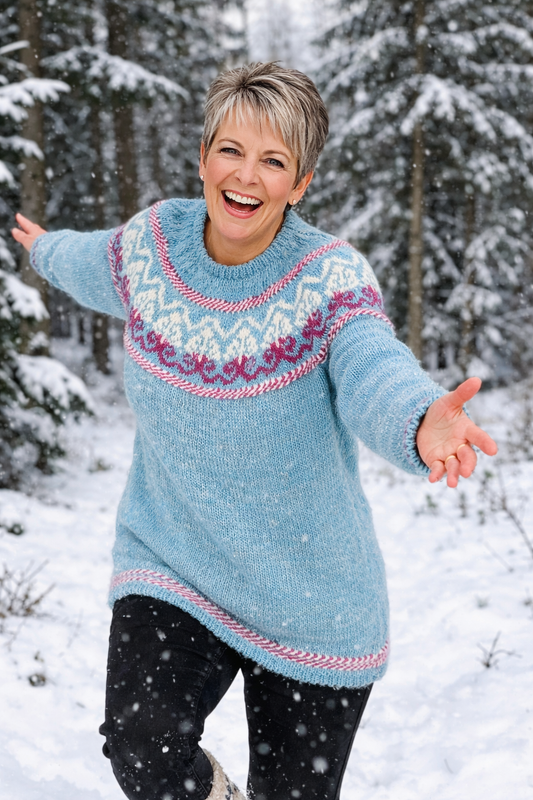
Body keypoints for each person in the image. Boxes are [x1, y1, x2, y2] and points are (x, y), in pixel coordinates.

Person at [12, 62, 497, 800]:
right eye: (231, 151)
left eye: (274, 161)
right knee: (140, 743)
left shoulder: (327, 278)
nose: (247, 176)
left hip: (310, 593)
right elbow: (91, 262)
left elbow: (371, 363)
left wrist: (418, 416)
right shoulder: (153, 247)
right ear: (204, 157)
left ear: (299, 183)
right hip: (174, 560)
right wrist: (44, 249)